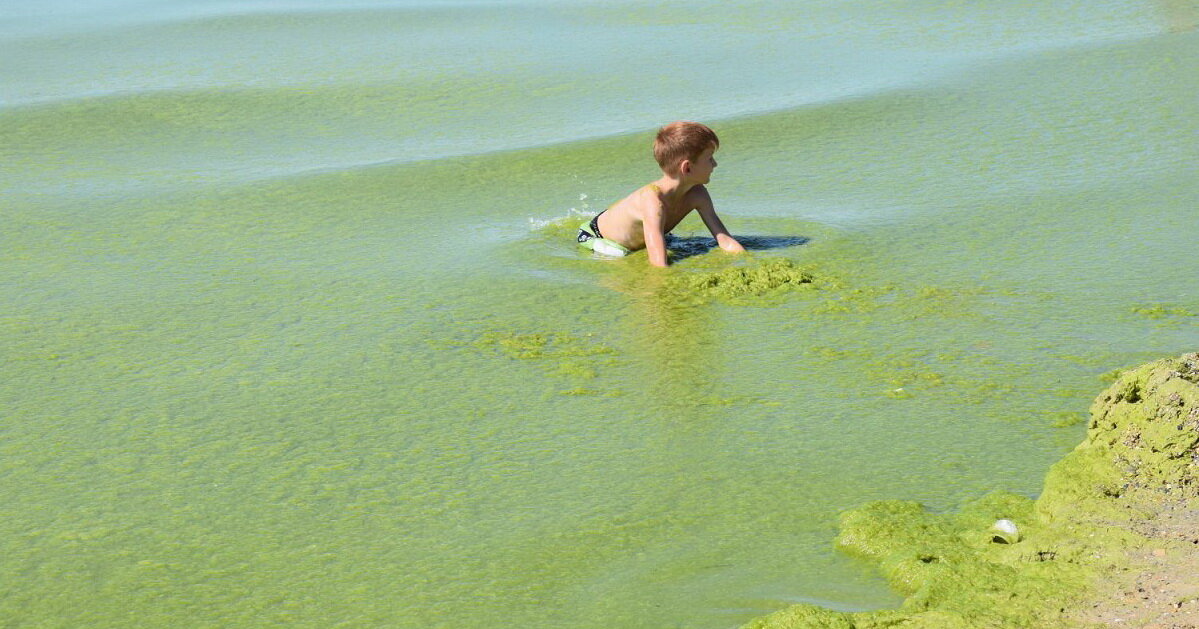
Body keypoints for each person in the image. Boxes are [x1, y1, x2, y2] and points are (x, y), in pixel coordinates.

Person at [577, 121, 746, 267]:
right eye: (710, 158)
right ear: (687, 168)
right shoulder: (653, 202)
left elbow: (724, 240)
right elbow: (658, 264)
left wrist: (748, 261)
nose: (715, 164)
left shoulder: (698, 194)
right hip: (596, 237)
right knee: (620, 256)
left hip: (641, 233)